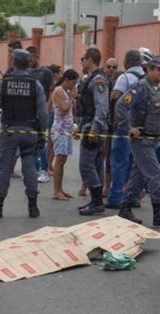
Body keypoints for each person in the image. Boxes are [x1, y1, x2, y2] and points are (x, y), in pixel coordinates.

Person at [115, 57, 160, 227]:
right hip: (142, 140)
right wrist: (129, 127)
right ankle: (159, 212)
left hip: (155, 140)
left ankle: (125, 208)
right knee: (155, 175)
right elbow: (121, 105)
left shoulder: (159, 88)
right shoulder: (140, 87)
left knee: (138, 177)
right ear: (149, 70)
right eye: (159, 69)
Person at [0, 49, 47, 218]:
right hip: (29, 133)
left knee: (5, 169)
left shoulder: (3, 84)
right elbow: (43, 114)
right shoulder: (36, 85)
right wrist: (42, 134)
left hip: (9, 132)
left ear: (13, 62)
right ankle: (33, 207)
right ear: (28, 63)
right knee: (29, 169)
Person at [105, 49, 144, 209]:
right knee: (135, 163)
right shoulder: (147, 78)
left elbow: (116, 97)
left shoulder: (125, 77)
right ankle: (133, 197)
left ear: (126, 63)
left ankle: (116, 197)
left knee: (119, 161)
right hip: (142, 127)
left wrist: (115, 119)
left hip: (124, 126)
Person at [76, 47, 110, 216]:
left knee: (86, 164)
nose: (81, 61)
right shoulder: (91, 79)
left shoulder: (98, 80)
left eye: (83, 58)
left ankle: (97, 202)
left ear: (90, 59)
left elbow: (101, 107)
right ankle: (95, 200)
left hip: (94, 128)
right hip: (90, 125)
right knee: (96, 164)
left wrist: (94, 129)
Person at [0, 40, 23, 171]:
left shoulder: (23, 72)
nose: (9, 55)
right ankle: (3, 162)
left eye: (11, 52)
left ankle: (7, 165)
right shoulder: (10, 70)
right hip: (8, 113)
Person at [26, 46, 54, 183]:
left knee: (41, 142)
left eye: (31, 58)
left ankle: (44, 170)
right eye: (27, 59)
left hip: (42, 112)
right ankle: (35, 169)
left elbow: (50, 92)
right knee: (31, 142)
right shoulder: (26, 72)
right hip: (29, 113)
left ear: (37, 56)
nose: (29, 61)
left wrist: (47, 110)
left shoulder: (46, 72)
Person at [51, 69, 79, 201]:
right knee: (59, 160)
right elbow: (63, 110)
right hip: (60, 130)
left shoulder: (66, 92)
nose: (74, 85)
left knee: (63, 161)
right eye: (73, 82)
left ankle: (60, 189)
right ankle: (56, 191)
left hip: (66, 130)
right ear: (67, 80)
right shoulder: (58, 91)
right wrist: (72, 98)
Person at [102, 57, 119, 197]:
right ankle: (88, 185)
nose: (111, 70)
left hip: (114, 126)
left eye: (114, 67)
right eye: (109, 67)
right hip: (102, 124)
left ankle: (108, 186)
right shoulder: (100, 81)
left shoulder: (119, 83)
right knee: (98, 155)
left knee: (111, 157)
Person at [47, 64, 63, 176]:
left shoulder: (54, 85)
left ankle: (49, 164)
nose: (61, 74)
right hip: (54, 114)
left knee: (52, 141)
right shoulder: (54, 86)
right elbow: (49, 102)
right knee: (52, 142)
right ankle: (48, 165)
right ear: (55, 74)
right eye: (60, 72)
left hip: (53, 114)